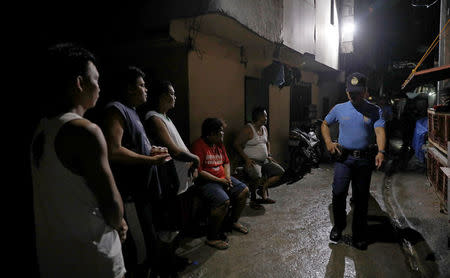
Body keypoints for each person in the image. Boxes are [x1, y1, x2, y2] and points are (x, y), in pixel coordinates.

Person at [30, 43, 127, 278]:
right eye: (95, 79)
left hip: (56, 257)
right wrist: (121, 222)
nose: (99, 87)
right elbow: (112, 207)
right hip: (94, 255)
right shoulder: (85, 131)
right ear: (79, 83)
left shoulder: (41, 130)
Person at [101, 66, 171, 277]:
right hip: (131, 194)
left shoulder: (133, 112)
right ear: (130, 89)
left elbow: (135, 145)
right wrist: (149, 160)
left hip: (143, 193)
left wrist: (152, 150)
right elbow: (114, 151)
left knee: (150, 240)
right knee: (141, 249)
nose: (146, 89)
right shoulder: (116, 109)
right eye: (141, 85)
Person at [321, 72, 386, 250]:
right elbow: (325, 124)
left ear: (365, 91)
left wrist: (381, 151)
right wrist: (328, 142)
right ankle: (339, 225)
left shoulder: (374, 110)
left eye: (357, 92)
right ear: (346, 91)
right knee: (339, 192)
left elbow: (379, 131)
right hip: (344, 158)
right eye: (350, 92)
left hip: (364, 160)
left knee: (361, 199)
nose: (353, 96)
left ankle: (359, 233)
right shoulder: (339, 108)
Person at [141, 80, 199, 271]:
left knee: (177, 224)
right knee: (169, 226)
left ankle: (172, 258)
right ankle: (166, 264)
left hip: (182, 179)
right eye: (172, 93)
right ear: (163, 96)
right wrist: (195, 158)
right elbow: (174, 151)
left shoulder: (165, 117)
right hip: (170, 181)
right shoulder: (154, 118)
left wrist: (190, 162)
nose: (175, 97)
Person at [191, 118, 250, 250]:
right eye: (219, 133)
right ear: (210, 134)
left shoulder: (219, 144)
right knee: (223, 201)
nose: (222, 135)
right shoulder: (198, 146)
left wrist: (227, 178)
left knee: (244, 191)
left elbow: (226, 162)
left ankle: (232, 222)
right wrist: (220, 181)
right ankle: (212, 237)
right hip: (207, 182)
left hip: (222, 178)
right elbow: (199, 172)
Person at [233, 107, 285, 208]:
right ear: (258, 116)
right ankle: (253, 200)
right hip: (252, 161)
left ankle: (262, 189)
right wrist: (246, 159)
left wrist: (269, 154)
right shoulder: (248, 128)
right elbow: (236, 144)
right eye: (265, 115)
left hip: (264, 160)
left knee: (280, 172)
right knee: (257, 176)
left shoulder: (264, 128)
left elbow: (267, 142)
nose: (266, 117)